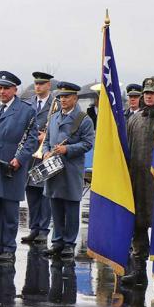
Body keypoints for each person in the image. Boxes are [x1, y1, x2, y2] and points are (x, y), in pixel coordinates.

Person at [0, 71, 37, 265]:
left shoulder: (26, 110)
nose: (1, 92)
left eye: (5, 88)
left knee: (9, 208)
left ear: (14, 90)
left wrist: (19, 159)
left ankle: (9, 248)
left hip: (11, 166)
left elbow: (31, 139)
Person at [120, 77, 154, 292]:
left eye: (152, 93)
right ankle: (139, 269)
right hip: (136, 181)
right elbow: (126, 151)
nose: (148, 96)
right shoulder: (134, 120)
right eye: (146, 92)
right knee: (138, 227)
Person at [41, 81, 95, 260]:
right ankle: (57, 242)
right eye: (61, 97)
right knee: (55, 205)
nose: (62, 100)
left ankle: (69, 244)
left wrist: (68, 149)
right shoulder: (55, 117)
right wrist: (47, 151)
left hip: (71, 169)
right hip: (54, 167)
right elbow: (48, 139)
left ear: (75, 98)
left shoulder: (83, 119)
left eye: (66, 97)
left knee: (71, 207)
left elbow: (88, 143)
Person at [21, 71, 55, 245]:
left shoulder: (55, 104)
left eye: (42, 84)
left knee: (44, 193)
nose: (38, 87)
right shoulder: (28, 104)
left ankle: (43, 229)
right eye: (36, 84)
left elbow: (61, 127)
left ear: (48, 85)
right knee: (31, 192)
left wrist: (46, 136)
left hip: (45, 154)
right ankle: (34, 228)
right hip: (30, 154)